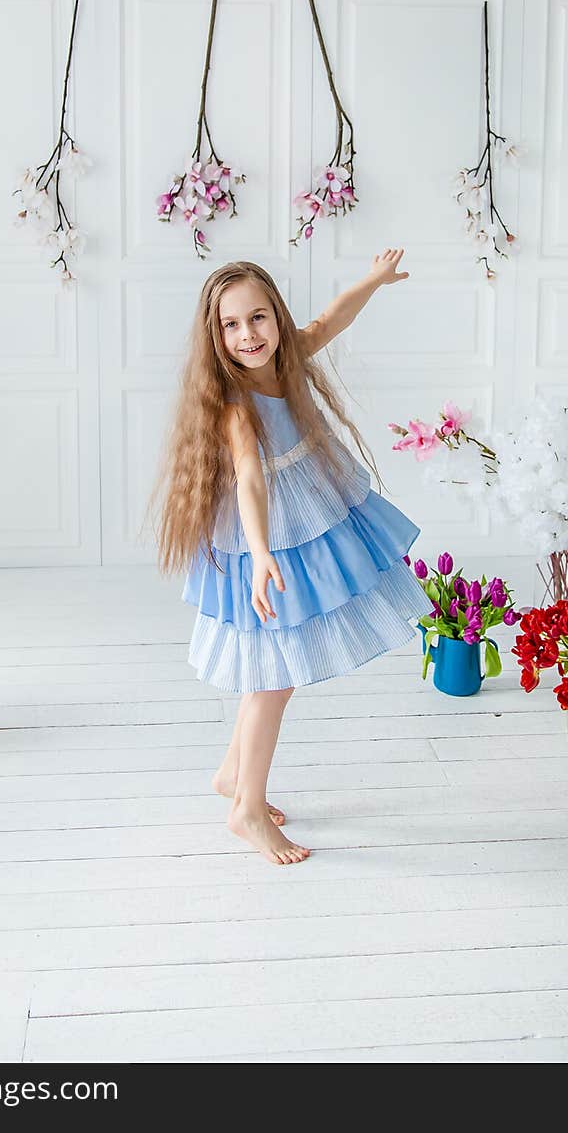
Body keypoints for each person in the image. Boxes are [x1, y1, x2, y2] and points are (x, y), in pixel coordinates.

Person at [148, 252, 432, 865]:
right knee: (272, 677)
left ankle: (232, 775)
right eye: (230, 325)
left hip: (307, 516)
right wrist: (257, 553)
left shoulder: (290, 355)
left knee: (280, 672)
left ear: (276, 315)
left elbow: (332, 319)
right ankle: (247, 809)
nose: (247, 335)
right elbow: (249, 479)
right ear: (214, 335)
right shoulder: (234, 405)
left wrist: (373, 280)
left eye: (257, 318)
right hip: (272, 537)